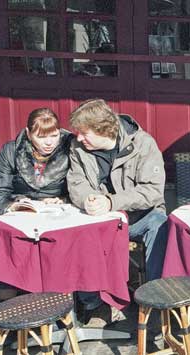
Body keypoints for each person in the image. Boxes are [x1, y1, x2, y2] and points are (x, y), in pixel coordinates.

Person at [67, 98, 167, 317]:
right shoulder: (79, 148)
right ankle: (93, 304)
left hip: (139, 217)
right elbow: (77, 183)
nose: (79, 137)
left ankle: (156, 297)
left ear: (103, 129)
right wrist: (89, 200)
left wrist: (112, 202)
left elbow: (152, 191)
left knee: (160, 225)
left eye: (84, 133)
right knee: (79, 232)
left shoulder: (142, 144)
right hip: (100, 219)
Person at [0, 108, 74, 300]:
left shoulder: (71, 149)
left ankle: (56, 300)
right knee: (8, 235)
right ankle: (8, 302)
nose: (49, 142)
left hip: (56, 215)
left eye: (54, 135)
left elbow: (84, 185)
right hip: (22, 212)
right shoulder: (12, 150)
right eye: (41, 137)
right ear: (28, 133)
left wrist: (65, 199)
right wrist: (11, 204)